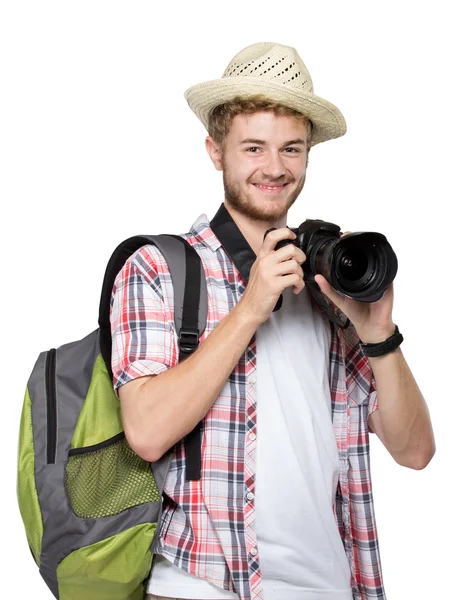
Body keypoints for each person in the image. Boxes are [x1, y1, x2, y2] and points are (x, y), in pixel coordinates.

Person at [110, 42, 435, 600]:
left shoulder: (329, 286)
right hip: (203, 586)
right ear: (216, 151)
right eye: (253, 147)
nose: (275, 167)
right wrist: (251, 307)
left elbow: (415, 451)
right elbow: (146, 432)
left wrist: (379, 332)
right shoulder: (160, 267)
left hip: (330, 587)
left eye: (292, 149)